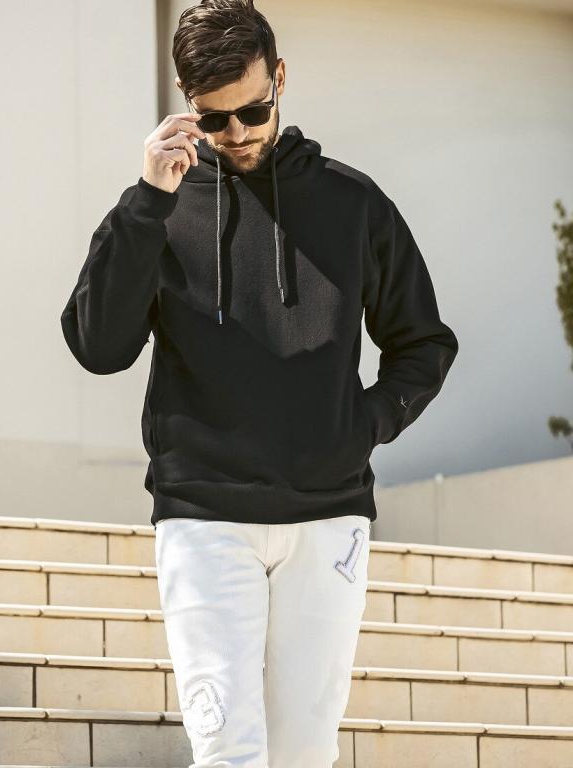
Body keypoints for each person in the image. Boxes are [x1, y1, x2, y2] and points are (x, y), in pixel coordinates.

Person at [60, 1, 459, 765]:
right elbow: (98, 347)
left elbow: (423, 343)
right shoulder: (158, 209)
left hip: (327, 516)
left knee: (305, 752)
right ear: (187, 104)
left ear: (279, 78)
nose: (237, 132)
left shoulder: (353, 204)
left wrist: (363, 425)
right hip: (204, 516)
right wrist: (146, 202)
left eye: (254, 110)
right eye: (215, 119)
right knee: (227, 749)